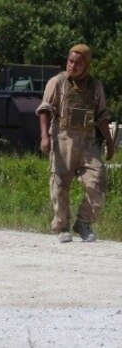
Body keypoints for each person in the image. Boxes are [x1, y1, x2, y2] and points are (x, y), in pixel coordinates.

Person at [36, 44, 116, 243]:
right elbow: (45, 109)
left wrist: (109, 141)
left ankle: (83, 223)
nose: (73, 66)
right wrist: (45, 137)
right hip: (63, 137)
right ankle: (62, 226)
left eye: (78, 63)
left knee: (98, 180)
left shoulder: (95, 86)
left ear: (86, 65)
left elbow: (102, 115)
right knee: (60, 183)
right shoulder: (58, 82)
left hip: (87, 140)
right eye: (70, 61)